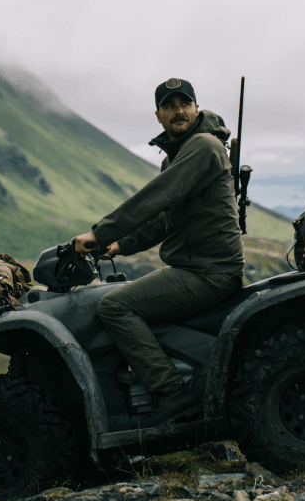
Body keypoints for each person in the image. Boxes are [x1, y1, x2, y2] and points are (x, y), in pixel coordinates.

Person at [73, 77, 244, 427]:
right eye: (169, 106)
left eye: (184, 103)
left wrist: (99, 232)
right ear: (158, 115)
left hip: (208, 271)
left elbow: (160, 195)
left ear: (197, 108)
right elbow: (165, 219)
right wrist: (119, 244)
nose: (178, 111)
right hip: (194, 267)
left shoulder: (203, 146)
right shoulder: (181, 154)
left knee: (115, 305)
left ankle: (171, 394)